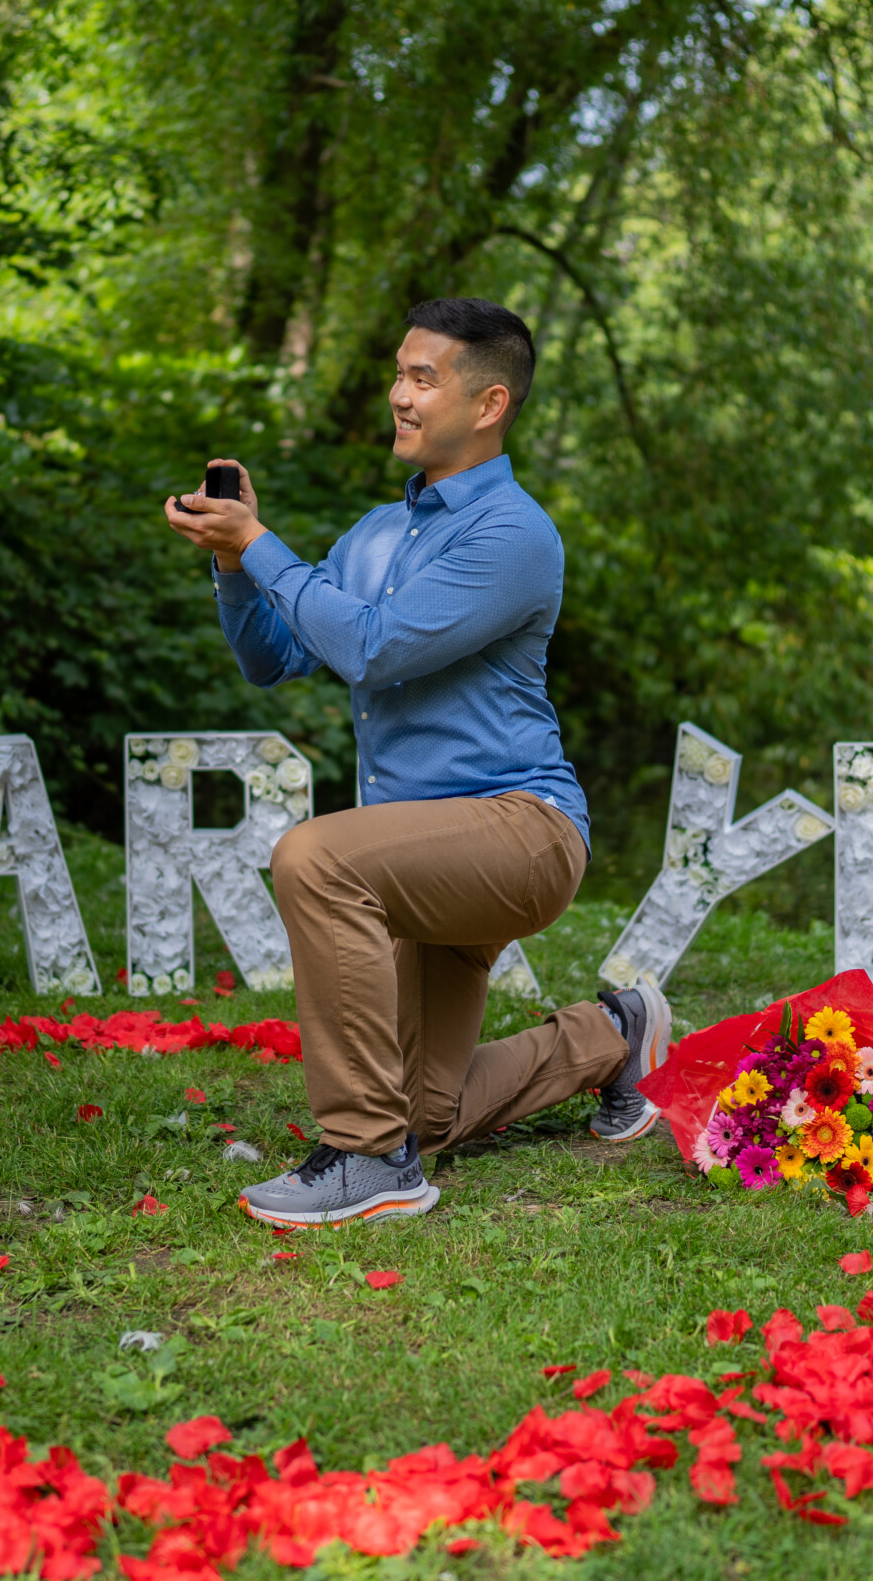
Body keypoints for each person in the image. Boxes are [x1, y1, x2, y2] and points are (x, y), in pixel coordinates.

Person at [163, 297, 672, 1230]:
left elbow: (374, 646)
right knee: (428, 1115)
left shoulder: (513, 534)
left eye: (423, 378)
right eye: (398, 374)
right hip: (414, 861)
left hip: (521, 829)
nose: (398, 395)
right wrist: (237, 563)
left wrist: (265, 551)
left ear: (489, 404)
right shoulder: (374, 535)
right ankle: (615, 1033)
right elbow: (275, 655)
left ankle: (363, 1157)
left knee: (314, 854)